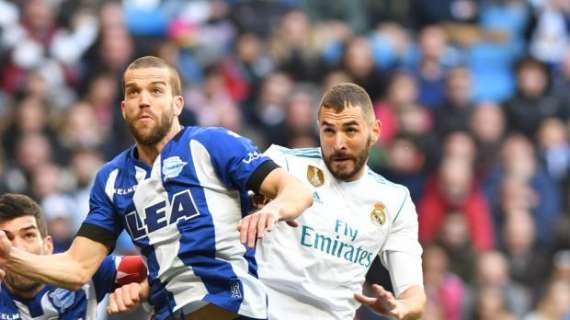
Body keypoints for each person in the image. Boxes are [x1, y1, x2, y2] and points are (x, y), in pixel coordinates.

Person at [0, 56, 313, 320]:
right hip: (166, 308)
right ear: (123, 108)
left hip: (230, 296)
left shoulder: (211, 144)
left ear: (177, 104)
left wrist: (272, 209)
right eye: (134, 93)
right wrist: (9, 258)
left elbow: (297, 191)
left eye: (155, 90)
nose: (144, 100)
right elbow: (78, 268)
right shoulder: (111, 179)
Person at [109, 83, 426, 320]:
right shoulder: (284, 164)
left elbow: (415, 295)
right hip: (258, 306)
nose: (338, 143)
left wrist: (402, 307)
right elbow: (210, 230)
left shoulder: (395, 201)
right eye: (329, 131)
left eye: (351, 130)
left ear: (375, 131)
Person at [0, 193, 147, 319]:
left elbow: (155, 268)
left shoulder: (85, 269)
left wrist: (140, 289)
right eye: (6, 239)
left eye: (28, 235)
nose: (18, 248)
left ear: (48, 246)